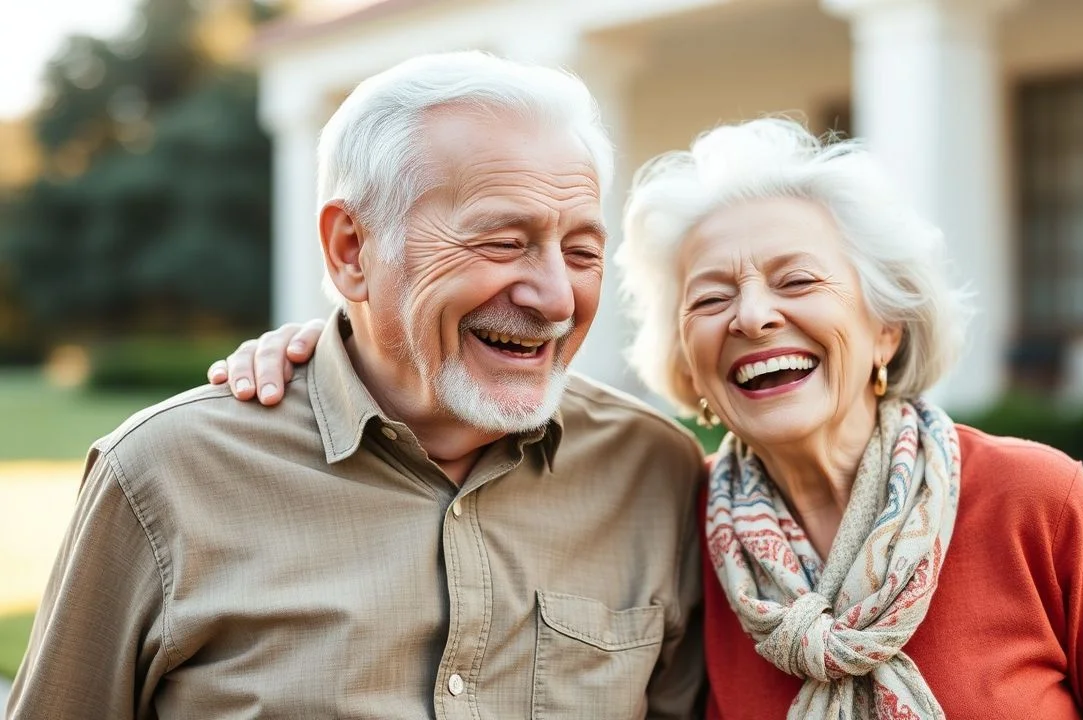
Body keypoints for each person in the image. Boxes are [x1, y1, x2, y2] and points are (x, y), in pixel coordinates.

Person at [214, 119, 1083, 718]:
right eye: (709, 298)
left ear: (881, 328)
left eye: (796, 280)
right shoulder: (669, 519)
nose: (751, 317)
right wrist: (337, 343)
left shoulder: (1030, 500)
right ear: (685, 363)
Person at [8, 52, 705, 719]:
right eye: (501, 241)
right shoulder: (162, 476)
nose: (556, 298)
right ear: (351, 250)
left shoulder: (656, 472)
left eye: (581, 252)